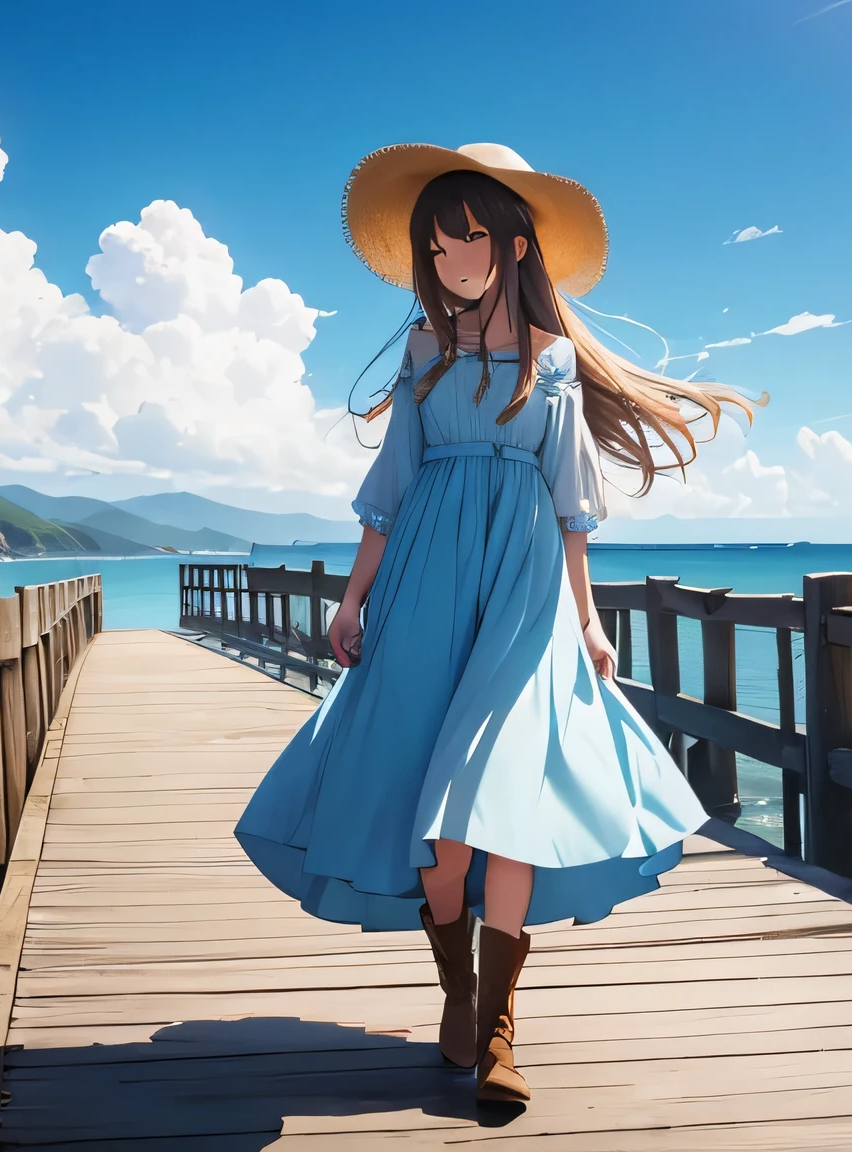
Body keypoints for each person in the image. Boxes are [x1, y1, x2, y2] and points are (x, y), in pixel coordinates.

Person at [235, 142, 756, 1104]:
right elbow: (387, 491)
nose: (451, 265)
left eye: (466, 241)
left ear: (514, 243)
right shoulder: (426, 354)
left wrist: (590, 622)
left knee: (506, 797)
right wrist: (352, 598)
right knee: (439, 831)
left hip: (524, 594)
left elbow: (572, 508)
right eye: (435, 252)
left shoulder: (554, 362)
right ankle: (459, 989)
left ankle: (504, 1029)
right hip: (425, 585)